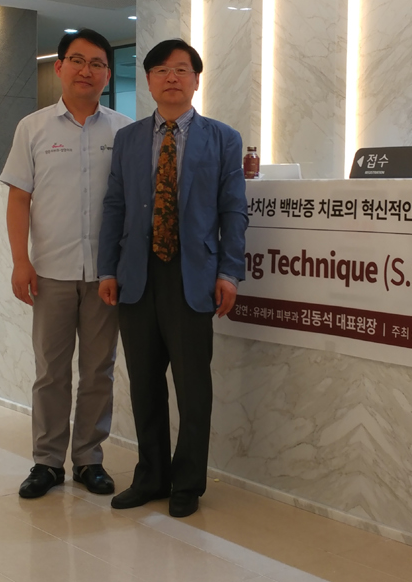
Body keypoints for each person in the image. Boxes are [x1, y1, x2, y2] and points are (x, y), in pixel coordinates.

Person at [97, 38, 248, 518]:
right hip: (136, 274)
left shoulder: (222, 138)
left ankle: (188, 483)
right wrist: (107, 268)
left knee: (192, 387)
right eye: (161, 69)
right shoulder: (128, 138)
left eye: (182, 69)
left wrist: (230, 271)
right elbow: (115, 206)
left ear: (196, 80)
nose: (172, 77)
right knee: (144, 385)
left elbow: (233, 210)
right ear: (148, 81)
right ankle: (151, 476)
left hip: (194, 275)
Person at [2, 29, 132, 499]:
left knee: (98, 371)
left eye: (97, 63)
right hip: (51, 273)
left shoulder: (124, 131)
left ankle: (89, 460)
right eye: (78, 61)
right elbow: (19, 199)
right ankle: (47, 462)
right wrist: (21, 261)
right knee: (51, 372)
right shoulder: (32, 128)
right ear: (59, 67)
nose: (87, 71)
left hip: (106, 276)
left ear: (107, 74)